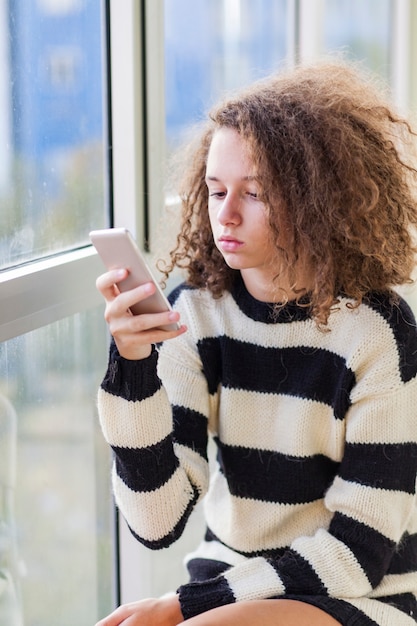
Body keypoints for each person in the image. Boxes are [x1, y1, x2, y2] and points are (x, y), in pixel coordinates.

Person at [94, 60, 417, 626]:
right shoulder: (195, 313)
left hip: (358, 595)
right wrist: (133, 368)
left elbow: (356, 555)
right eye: (216, 191)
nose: (227, 215)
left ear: (317, 198)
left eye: (256, 193)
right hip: (228, 587)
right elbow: (156, 522)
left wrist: (182, 606)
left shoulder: (378, 331)